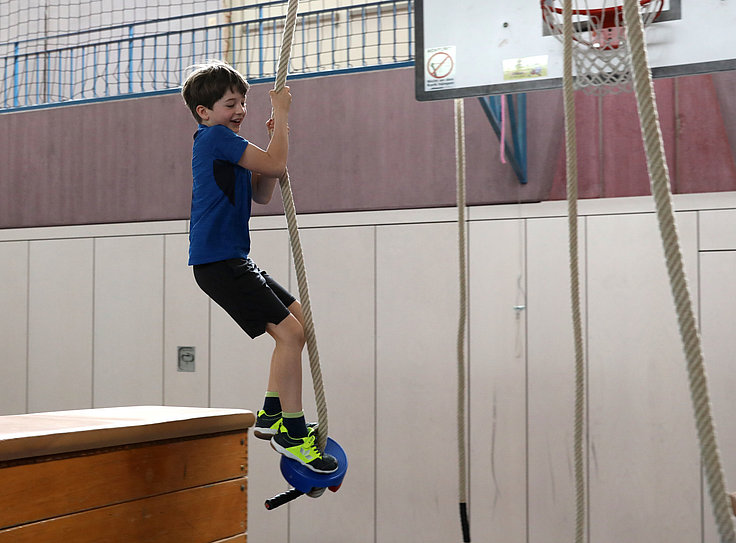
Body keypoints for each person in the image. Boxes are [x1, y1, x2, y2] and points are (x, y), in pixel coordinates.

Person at [181, 60, 337, 474]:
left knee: (299, 319)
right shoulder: (215, 138)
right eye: (230, 104)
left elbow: (264, 189)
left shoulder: (226, 143)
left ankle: (271, 410)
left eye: (242, 102)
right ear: (204, 112)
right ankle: (293, 432)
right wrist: (282, 117)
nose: (240, 110)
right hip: (218, 262)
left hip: (231, 259)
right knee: (290, 334)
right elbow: (276, 165)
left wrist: (274, 138)